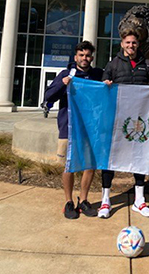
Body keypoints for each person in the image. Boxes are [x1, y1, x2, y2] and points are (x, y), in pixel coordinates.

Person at [99, 10, 149, 219]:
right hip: (116, 121)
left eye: (134, 43)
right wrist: (105, 85)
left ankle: (139, 200)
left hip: (138, 122)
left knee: (139, 158)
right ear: (122, 44)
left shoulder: (147, 65)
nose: (131, 46)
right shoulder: (113, 65)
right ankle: (105, 200)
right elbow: (102, 89)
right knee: (110, 159)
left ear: (138, 44)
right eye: (127, 43)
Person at [45, 41, 103, 219]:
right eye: (81, 55)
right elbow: (48, 96)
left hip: (90, 129)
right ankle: (68, 202)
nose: (84, 58)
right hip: (69, 128)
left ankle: (83, 200)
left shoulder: (97, 75)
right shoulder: (66, 74)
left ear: (91, 57)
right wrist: (62, 84)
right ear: (75, 57)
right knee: (69, 166)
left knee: (89, 166)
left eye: (87, 55)